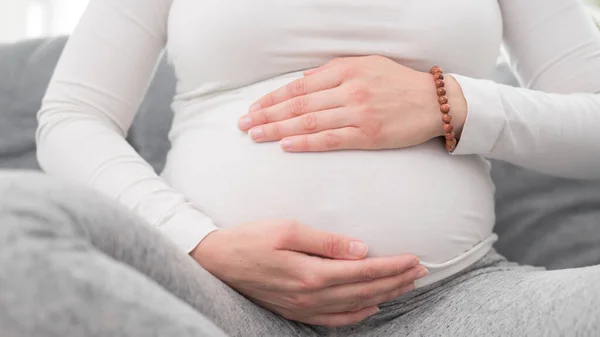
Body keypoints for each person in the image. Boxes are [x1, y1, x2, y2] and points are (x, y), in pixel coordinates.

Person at [2, 0, 599, 335]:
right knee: (13, 223)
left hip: (455, 304)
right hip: (214, 302)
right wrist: (197, 242)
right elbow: (72, 116)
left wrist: (452, 103)